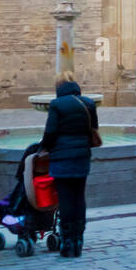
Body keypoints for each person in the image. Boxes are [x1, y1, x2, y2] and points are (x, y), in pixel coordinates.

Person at [38, 71, 98, 258]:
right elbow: (94, 130)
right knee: (79, 198)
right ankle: (78, 240)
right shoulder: (88, 103)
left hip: (62, 158)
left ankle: (67, 242)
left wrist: (43, 148)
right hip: (81, 156)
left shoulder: (56, 105)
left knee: (65, 200)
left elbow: (50, 132)